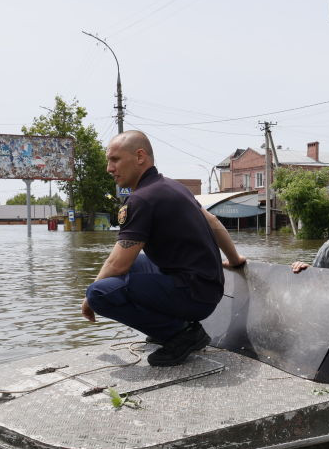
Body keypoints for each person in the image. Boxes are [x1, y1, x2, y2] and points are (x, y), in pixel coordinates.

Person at [82, 131, 246, 367]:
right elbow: (213, 222)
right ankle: (171, 326)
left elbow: (118, 264)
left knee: (99, 293)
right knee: (134, 266)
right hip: (208, 287)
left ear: (140, 157)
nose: (109, 168)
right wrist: (235, 259)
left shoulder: (141, 199)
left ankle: (179, 334)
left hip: (194, 296)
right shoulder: (172, 187)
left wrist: (88, 299)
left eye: (115, 159)